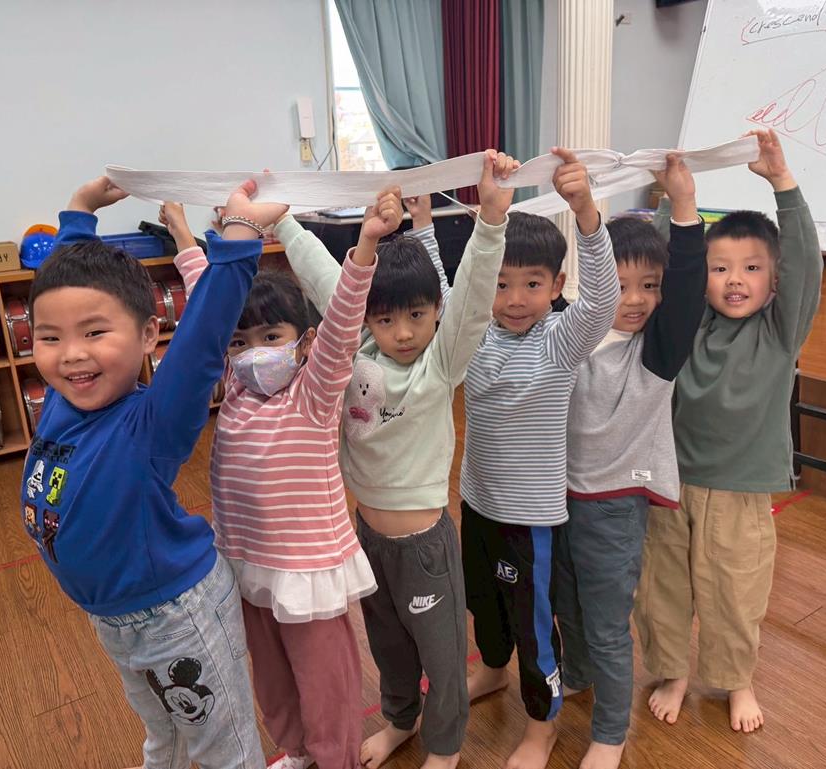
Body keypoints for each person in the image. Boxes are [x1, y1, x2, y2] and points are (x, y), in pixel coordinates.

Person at [283, 150, 518, 769]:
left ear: (436, 311)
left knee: (442, 655)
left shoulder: (441, 363)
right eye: (386, 319)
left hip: (424, 548)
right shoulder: (356, 346)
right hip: (367, 540)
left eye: (417, 315)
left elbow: (473, 297)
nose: (404, 332)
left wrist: (491, 220)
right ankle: (400, 719)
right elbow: (324, 278)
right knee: (388, 644)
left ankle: (446, 747)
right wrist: (279, 221)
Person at [21, 176, 264, 768]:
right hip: (112, 619)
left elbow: (202, 342)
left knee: (224, 751)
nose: (71, 353)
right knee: (163, 733)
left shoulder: (151, 424)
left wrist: (240, 234)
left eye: (95, 333)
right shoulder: (64, 401)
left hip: (178, 618)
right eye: (49, 338)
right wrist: (78, 212)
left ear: (149, 334)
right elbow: (63, 289)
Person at [164, 188, 403, 769]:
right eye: (240, 342)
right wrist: (183, 237)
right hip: (246, 564)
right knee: (271, 679)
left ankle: (335, 759)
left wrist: (366, 244)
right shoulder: (236, 387)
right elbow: (208, 304)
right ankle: (297, 751)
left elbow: (343, 322)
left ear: (304, 342)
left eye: (271, 338)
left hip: (306, 572)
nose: (253, 353)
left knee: (326, 684)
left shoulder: (313, 392)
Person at [634, 128, 823, 733]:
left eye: (751, 269)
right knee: (662, 587)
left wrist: (783, 185)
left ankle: (736, 679)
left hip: (740, 492)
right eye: (720, 268)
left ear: (774, 279)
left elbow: (806, 263)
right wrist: (671, 203)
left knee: (734, 593)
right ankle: (672, 670)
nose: (735, 280)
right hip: (669, 482)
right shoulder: (688, 321)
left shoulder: (779, 333)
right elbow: (667, 267)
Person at [457, 150, 619, 769]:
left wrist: (585, 212)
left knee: (532, 624)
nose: (514, 298)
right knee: (485, 606)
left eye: (531, 284)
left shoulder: (559, 341)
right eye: (500, 283)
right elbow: (451, 288)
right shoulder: (474, 332)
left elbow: (601, 302)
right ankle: (493, 669)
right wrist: (419, 223)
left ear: (556, 286)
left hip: (530, 522)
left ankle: (541, 725)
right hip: (476, 502)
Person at [556, 155, 707, 769]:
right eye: (621, 285)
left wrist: (684, 205)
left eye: (650, 286)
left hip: (614, 507)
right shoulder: (569, 333)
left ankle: (611, 732)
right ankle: (578, 675)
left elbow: (688, 289)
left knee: (606, 623)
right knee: (567, 608)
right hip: (556, 498)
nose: (637, 299)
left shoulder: (655, 351)